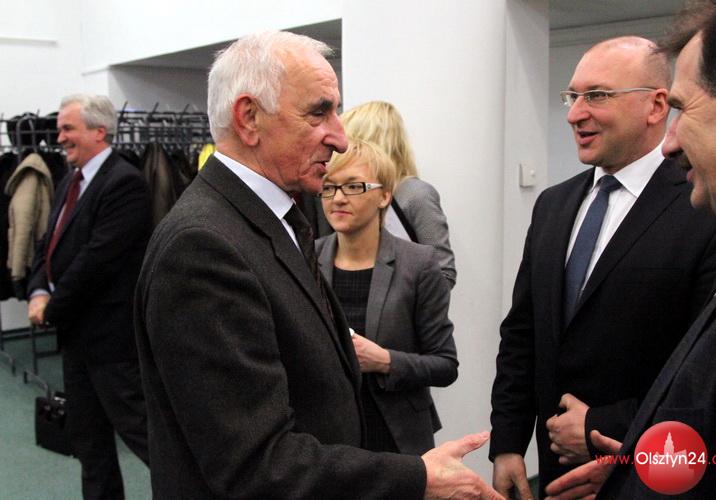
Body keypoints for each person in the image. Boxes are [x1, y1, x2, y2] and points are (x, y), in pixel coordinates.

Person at [133, 31, 500, 499]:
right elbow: (257, 464)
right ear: (249, 118)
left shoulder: (273, 217)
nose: (340, 138)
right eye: (318, 112)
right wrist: (418, 478)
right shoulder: (203, 245)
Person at [488, 36, 716, 498]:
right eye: (572, 96)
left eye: (597, 95)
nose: (574, 114)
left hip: (649, 473)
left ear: (656, 106)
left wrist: (601, 426)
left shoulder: (704, 207)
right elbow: (523, 333)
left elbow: (704, 370)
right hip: (554, 474)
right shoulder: (553, 205)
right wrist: (508, 443)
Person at [546, 1, 716, 498]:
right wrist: (636, 473)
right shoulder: (555, 204)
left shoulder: (704, 224)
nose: (670, 143)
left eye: (683, 109)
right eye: (573, 96)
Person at [26, 94, 151, 500]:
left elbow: (97, 260)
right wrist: (37, 289)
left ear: (99, 131)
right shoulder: (70, 181)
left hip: (112, 343)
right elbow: (48, 245)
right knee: (89, 445)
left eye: (68, 128)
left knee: (146, 437)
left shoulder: (125, 183)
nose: (60, 137)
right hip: (77, 339)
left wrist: (51, 308)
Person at [315, 138, 458, 455]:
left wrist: (384, 361)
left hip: (396, 435)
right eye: (329, 187)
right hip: (328, 437)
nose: (338, 198)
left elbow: (445, 365)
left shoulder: (418, 264)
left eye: (353, 186)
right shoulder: (307, 259)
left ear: (384, 196)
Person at [341, 101, 457, 288]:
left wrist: (396, 299)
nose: (340, 150)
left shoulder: (415, 195)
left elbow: (444, 273)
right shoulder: (340, 196)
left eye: (348, 141)